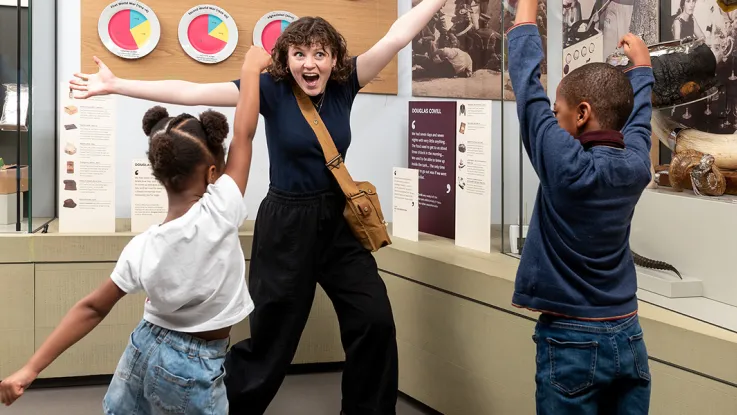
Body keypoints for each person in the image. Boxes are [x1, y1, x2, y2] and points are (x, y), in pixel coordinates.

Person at [68, 2, 448, 414]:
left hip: (337, 223)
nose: (310, 62)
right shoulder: (270, 89)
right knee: (270, 342)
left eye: (320, 53)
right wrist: (117, 84)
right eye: (299, 53)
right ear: (285, 58)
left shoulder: (346, 84)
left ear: (334, 59)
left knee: (374, 320)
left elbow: (397, 35)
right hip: (286, 224)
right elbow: (191, 92)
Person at [0, 45, 272, 413]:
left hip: (142, 347)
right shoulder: (222, 208)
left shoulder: (142, 247)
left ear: (158, 173)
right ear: (211, 173)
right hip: (193, 366)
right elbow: (245, 133)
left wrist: (30, 370)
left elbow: (92, 308)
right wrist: (252, 66)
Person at [507, 0, 654, 413]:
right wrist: (641, 67)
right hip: (629, 335)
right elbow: (639, 119)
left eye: (559, 113)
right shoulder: (637, 163)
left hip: (571, 341)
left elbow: (526, 86)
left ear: (583, 114)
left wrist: (526, 11)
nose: (552, 119)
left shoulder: (565, 165)